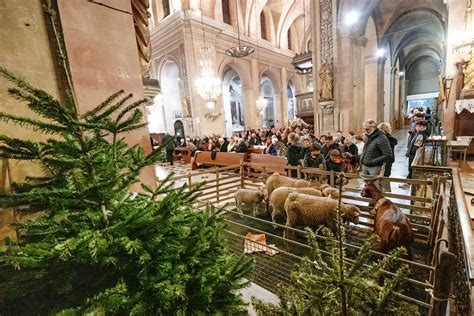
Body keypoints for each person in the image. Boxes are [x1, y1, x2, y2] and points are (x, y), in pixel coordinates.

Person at [402, 120, 429, 186]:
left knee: (411, 168)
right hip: (414, 153)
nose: (417, 127)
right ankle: (409, 182)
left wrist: (410, 153)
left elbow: (416, 146)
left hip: (415, 154)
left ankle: (409, 182)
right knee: (411, 168)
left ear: (424, 127)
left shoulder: (421, 135)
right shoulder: (419, 133)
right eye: (416, 126)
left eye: (419, 126)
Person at [377, 122, 397, 191]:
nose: (391, 129)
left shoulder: (381, 137)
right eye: (389, 127)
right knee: (385, 175)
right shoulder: (387, 138)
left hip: (383, 159)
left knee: (383, 175)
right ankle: (385, 191)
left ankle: (384, 192)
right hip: (387, 159)